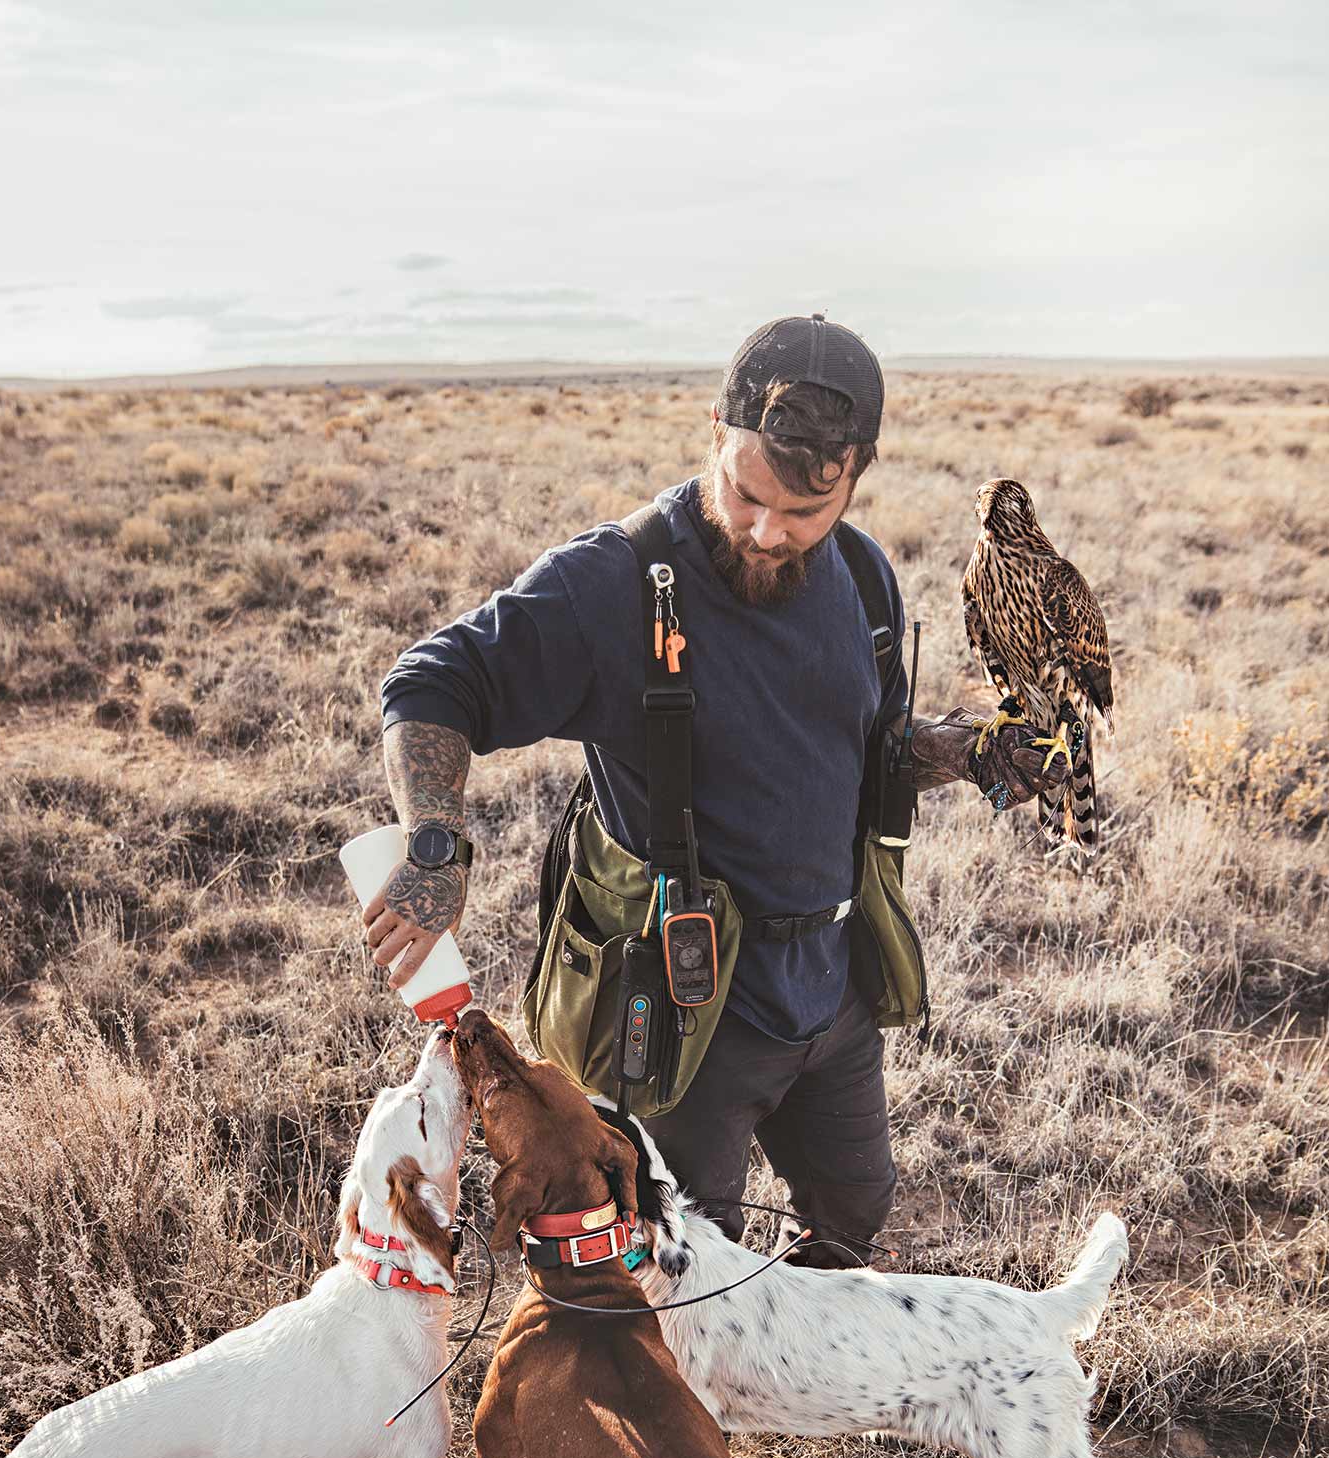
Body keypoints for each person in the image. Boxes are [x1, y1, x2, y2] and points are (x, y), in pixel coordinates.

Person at [363, 316, 1059, 1265]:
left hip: (833, 983)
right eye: (746, 494)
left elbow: (871, 746)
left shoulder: (862, 574)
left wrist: (966, 750)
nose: (769, 532)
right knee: (668, 1259)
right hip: (686, 1007)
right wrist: (437, 845)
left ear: (856, 475)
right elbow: (432, 682)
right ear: (715, 435)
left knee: (852, 1211)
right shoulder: (611, 582)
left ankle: (784, 1382)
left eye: (804, 512)